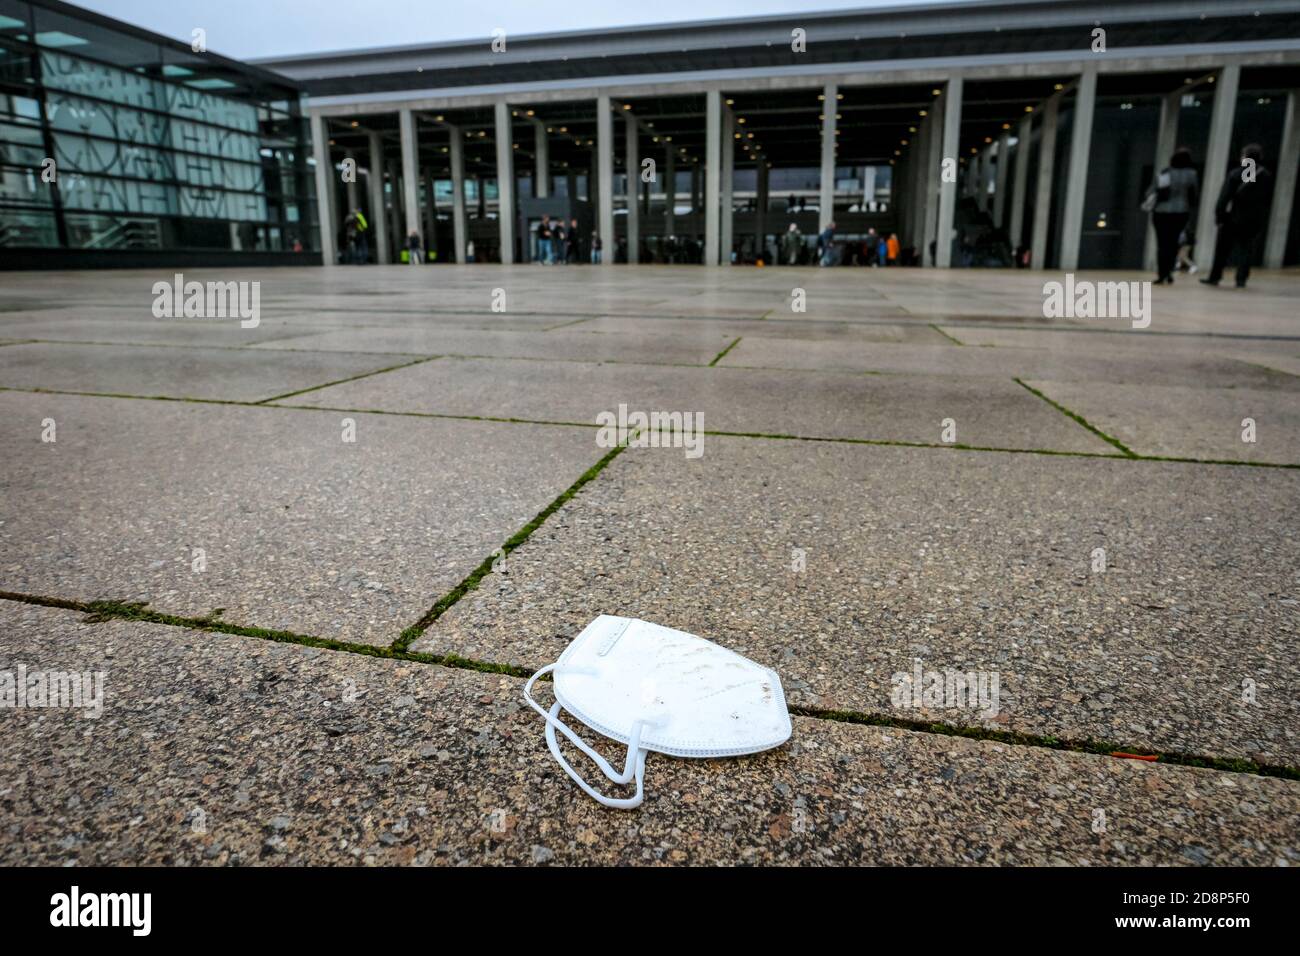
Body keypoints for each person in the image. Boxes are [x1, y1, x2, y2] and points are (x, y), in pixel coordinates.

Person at [1202, 143, 1274, 289]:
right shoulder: (1265, 175)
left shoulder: (1236, 173)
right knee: (1246, 249)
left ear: (1245, 157)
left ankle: (1215, 276)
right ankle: (1241, 279)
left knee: (1222, 248)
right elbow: (1267, 198)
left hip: (1234, 217)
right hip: (1254, 219)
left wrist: (1219, 215)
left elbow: (1225, 196)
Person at [1144, 146, 1198, 285]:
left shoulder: (1165, 173)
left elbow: (1153, 190)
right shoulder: (1191, 174)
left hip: (1162, 212)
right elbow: (1194, 194)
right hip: (1181, 212)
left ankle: (1162, 274)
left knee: (1162, 243)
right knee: (1174, 243)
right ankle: (1169, 271)